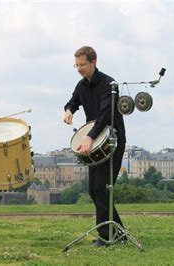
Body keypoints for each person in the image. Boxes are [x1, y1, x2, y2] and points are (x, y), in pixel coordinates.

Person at [63, 46, 126, 247]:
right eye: (76, 65)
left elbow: (105, 115)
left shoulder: (109, 84)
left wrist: (89, 137)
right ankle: (119, 233)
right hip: (95, 142)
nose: (79, 69)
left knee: (102, 188)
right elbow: (73, 101)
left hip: (112, 140)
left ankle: (106, 237)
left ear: (93, 62)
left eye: (82, 65)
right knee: (94, 189)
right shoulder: (81, 86)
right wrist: (68, 110)